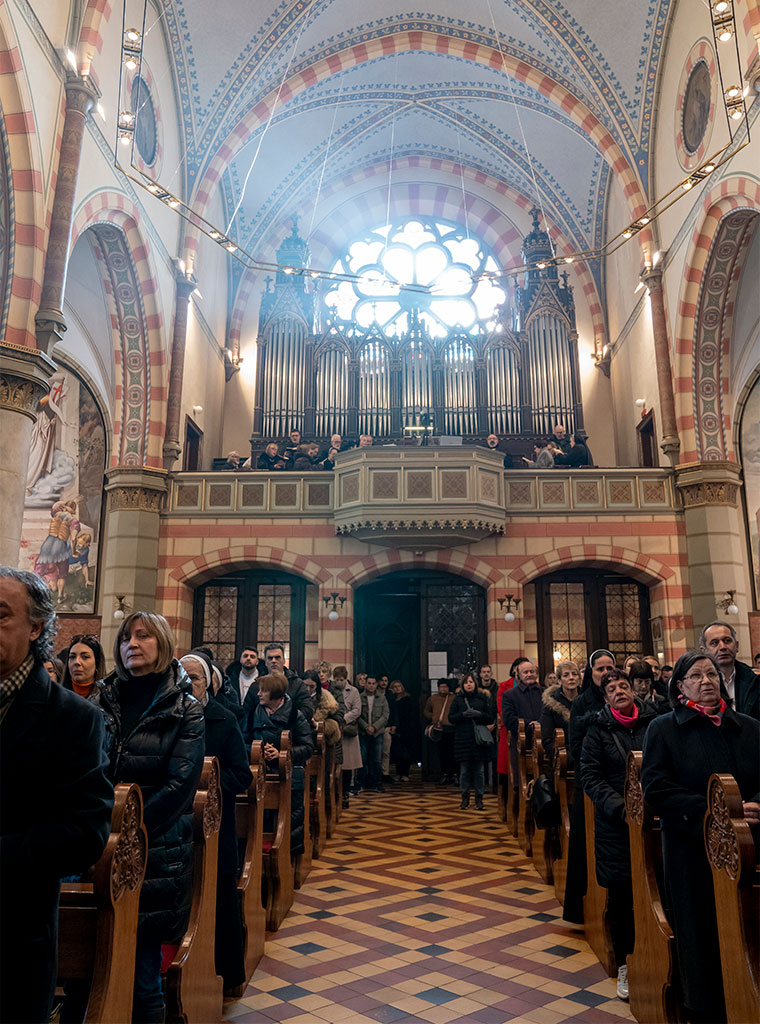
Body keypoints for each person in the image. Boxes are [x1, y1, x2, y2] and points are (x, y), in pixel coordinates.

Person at [0, 568, 113, 1024]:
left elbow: (84, 835)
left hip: (12, 939)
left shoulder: (73, 719)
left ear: (36, 627)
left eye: (1, 615)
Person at [90, 611, 205, 1023]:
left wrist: (123, 834)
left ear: (163, 643)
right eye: (125, 638)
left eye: (143, 636)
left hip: (153, 853)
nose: (131, 644)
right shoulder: (101, 700)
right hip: (94, 845)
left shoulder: (185, 709)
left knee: (142, 977)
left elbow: (178, 788)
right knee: (88, 969)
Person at [641, 650, 760, 1023]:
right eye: (696, 675)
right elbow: (656, 788)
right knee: (701, 933)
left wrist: (756, 804)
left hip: (749, 846)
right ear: (680, 686)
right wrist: (712, 811)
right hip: (691, 851)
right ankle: (705, 1010)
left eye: (711, 674)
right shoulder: (664, 729)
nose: (706, 681)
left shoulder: (749, 727)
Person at [581, 669, 657, 1001]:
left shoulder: (654, 723)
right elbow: (590, 776)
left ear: (633, 691)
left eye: (623, 686)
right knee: (622, 896)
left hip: (655, 818)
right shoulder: (597, 730)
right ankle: (625, 961)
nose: (619, 691)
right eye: (612, 689)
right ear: (605, 697)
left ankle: (659, 956)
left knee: (659, 890)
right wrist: (621, 808)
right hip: (616, 825)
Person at [178, 653, 251, 995]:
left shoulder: (224, 719)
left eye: (194, 678)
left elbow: (242, 774)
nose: (187, 683)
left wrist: (208, 787)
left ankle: (228, 975)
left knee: (220, 896)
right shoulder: (170, 714)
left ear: (208, 684)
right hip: (176, 823)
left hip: (215, 825)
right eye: (182, 677)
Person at [563, 648, 616, 925]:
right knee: (585, 846)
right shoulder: (582, 703)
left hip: (619, 783)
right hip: (590, 783)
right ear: (591, 673)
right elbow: (574, 748)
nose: (605, 673)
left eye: (610, 668)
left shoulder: (623, 696)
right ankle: (583, 909)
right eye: (600, 669)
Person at [242, 642, 313, 742]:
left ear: (284, 660)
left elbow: (307, 710)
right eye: (270, 658)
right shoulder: (256, 686)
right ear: (265, 662)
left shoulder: (297, 684)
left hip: (290, 735)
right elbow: (246, 712)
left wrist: (287, 722)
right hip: (260, 737)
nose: (273, 661)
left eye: (277, 658)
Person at [449, 672, 494, 809]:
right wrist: (463, 715)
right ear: (462, 685)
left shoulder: (482, 698)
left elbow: (490, 717)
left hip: (478, 739)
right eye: (466, 682)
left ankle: (479, 798)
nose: (469, 684)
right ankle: (465, 798)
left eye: (471, 682)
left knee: (479, 771)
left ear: (475, 684)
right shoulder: (458, 699)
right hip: (462, 738)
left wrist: (479, 714)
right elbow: (451, 718)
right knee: (464, 771)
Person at [699, 620, 759, 719]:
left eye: (727, 641)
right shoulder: (698, 684)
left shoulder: (755, 679)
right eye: (714, 643)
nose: (722, 647)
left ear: (737, 646)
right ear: (704, 650)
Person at [502, 659, 543, 788]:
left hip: (544, 742)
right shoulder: (509, 695)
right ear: (518, 675)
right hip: (522, 743)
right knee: (522, 781)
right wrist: (529, 724)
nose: (529, 674)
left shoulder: (546, 693)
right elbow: (509, 719)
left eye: (532, 671)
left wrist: (540, 723)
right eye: (525, 672)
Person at [541, 659, 580, 768]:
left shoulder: (586, 700)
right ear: (559, 680)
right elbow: (547, 739)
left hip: (586, 754)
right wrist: (564, 757)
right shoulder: (551, 703)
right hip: (563, 758)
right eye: (566, 675)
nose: (571, 678)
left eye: (574, 674)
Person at [331, 666, 362, 805]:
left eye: (342, 680)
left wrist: (342, 719)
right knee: (335, 764)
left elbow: (357, 710)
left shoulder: (353, 691)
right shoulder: (331, 690)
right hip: (335, 730)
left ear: (346, 678)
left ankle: (345, 793)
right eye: (337, 680)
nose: (339, 683)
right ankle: (335, 793)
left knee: (348, 764)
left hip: (348, 729)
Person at [357, 676, 389, 792]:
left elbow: (385, 715)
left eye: (373, 683)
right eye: (369, 683)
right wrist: (366, 727)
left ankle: (377, 783)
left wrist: (374, 727)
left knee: (377, 759)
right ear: (365, 684)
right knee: (362, 758)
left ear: (376, 685)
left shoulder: (382, 698)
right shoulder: (360, 697)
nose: (371, 686)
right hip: (363, 732)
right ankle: (361, 783)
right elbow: (357, 714)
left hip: (377, 733)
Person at [423, 679, 455, 783]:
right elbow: (426, 711)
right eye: (441, 687)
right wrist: (433, 717)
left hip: (451, 728)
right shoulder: (432, 698)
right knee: (440, 753)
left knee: (451, 752)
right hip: (438, 728)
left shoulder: (453, 698)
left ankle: (452, 773)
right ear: (438, 688)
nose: (443, 689)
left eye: (445, 687)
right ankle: (442, 773)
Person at [60, 633, 107, 699]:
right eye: (72, 657)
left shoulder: (108, 698)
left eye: (85, 657)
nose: (77, 662)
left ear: (97, 663)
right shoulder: (56, 696)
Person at [303, 669, 342, 746]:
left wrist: (318, 725)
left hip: (324, 740)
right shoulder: (298, 697)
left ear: (317, 686)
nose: (308, 689)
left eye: (311, 686)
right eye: (305, 686)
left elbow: (337, 719)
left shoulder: (326, 699)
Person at [388, 680, 418, 782]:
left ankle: (405, 773)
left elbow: (411, 714)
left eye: (399, 686)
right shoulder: (392, 699)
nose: (397, 688)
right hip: (396, 728)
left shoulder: (408, 699)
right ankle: (398, 772)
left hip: (407, 728)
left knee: (406, 751)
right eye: (395, 686)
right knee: (398, 752)